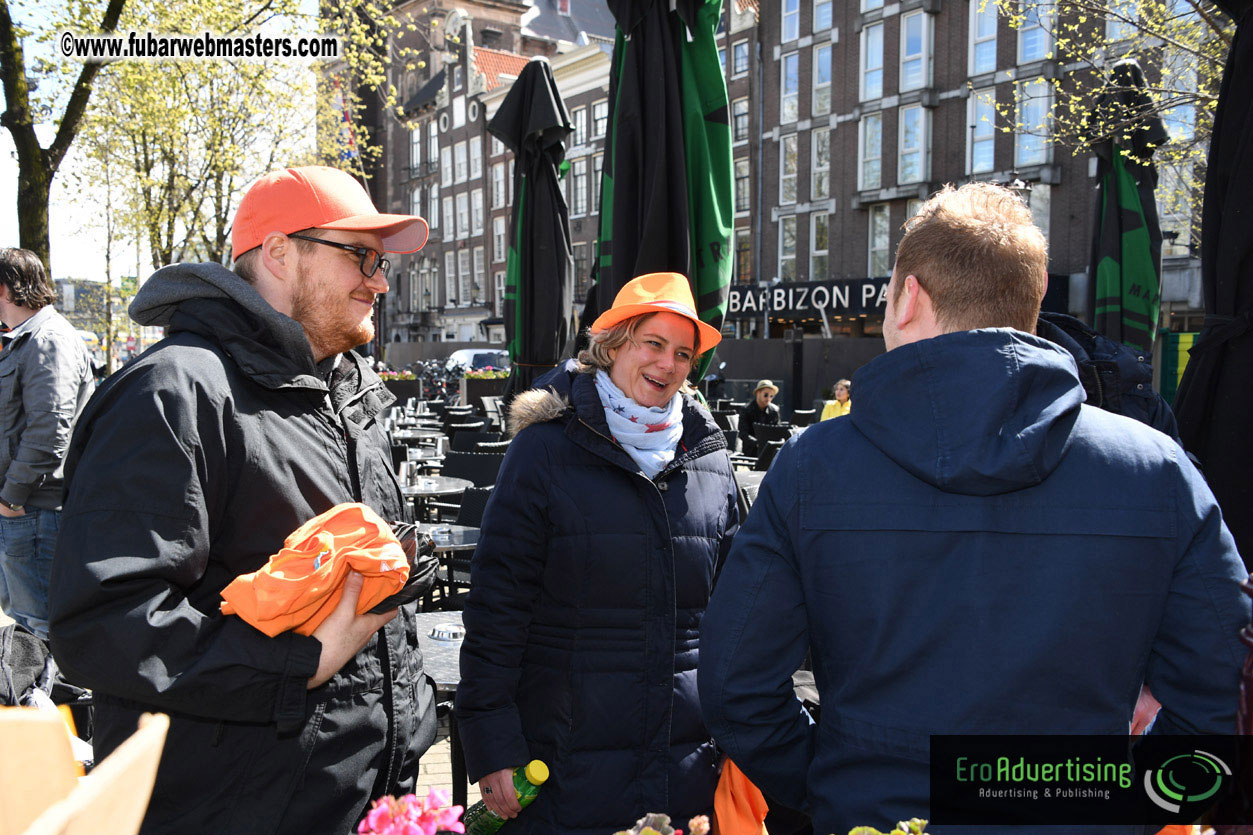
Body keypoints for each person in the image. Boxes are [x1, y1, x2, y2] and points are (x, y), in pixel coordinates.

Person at [698, 183, 1250, 834]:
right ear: (1034, 298)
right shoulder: (1156, 469)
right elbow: (1220, 700)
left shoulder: (812, 466)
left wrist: (842, 783)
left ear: (907, 298)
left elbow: (738, 686)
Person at [48, 166, 438, 834]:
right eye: (361, 256)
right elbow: (105, 623)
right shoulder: (173, 393)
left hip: (357, 801)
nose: (379, 281)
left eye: (382, 263)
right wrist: (299, 665)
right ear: (280, 251)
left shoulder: (349, 393)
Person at [456, 272, 740, 834]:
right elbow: (497, 608)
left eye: (683, 353)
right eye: (653, 343)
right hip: (564, 765)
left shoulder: (710, 457)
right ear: (613, 345)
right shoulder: (545, 449)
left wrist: (742, 732)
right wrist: (492, 743)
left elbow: (739, 616)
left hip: (684, 765)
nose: (668, 364)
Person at [0, 248, 94, 640]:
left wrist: (11, 499)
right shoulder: (25, 340)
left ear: (4, 289)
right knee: (28, 624)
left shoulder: (48, 341)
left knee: (38, 630)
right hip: (26, 510)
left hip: (35, 511)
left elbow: (49, 431)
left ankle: (51, 686)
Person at [737, 379, 780, 457]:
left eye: (771, 396)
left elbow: (777, 431)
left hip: (770, 450)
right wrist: (758, 443)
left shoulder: (774, 411)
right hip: (751, 450)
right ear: (758, 393)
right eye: (766, 395)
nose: (768, 398)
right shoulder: (746, 410)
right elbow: (742, 433)